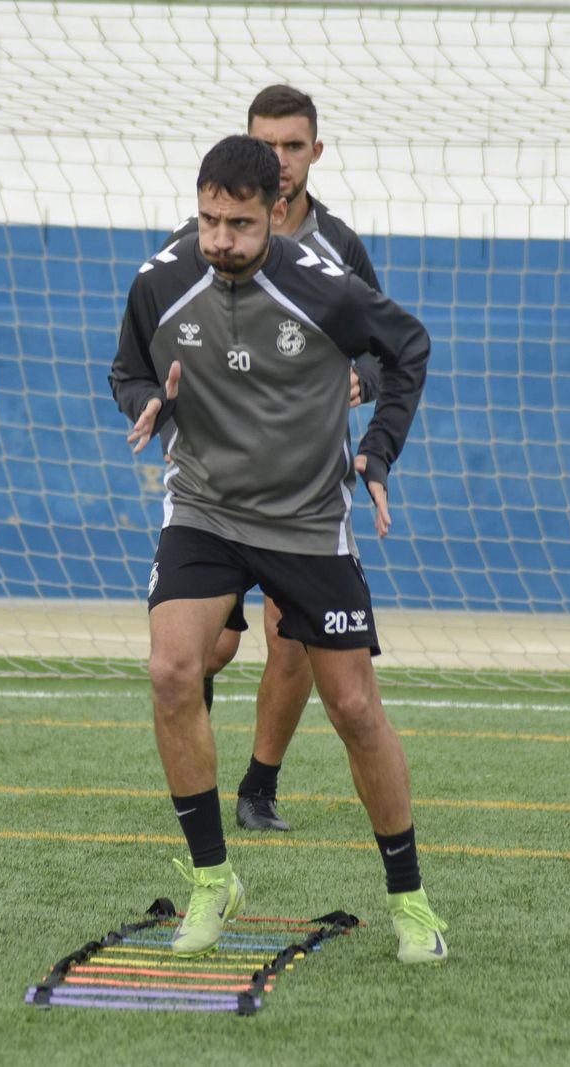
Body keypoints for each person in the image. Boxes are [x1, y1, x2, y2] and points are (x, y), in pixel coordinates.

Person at [109, 134, 449, 964]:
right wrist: (150, 398)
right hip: (204, 508)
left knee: (355, 710)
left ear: (276, 214)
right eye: (208, 220)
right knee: (172, 669)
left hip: (305, 519)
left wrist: (378, 451)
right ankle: (211, 881)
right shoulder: (161, 280)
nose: (220, 240)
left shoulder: (320, 287)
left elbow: (408, 348)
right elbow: (125, 370)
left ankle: (411, 902)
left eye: (240, 224)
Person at [163, 84, 384, 834]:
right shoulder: (205, 241)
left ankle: (259, 787)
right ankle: (197, 745)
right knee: (211, 645)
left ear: (315, 153)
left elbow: (383, 349)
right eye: (270, 145)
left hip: (305, 488)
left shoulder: (339, 250)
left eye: (295, 147)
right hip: (215, 488)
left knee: (293, 635)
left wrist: (364, 382)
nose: (282, 161)